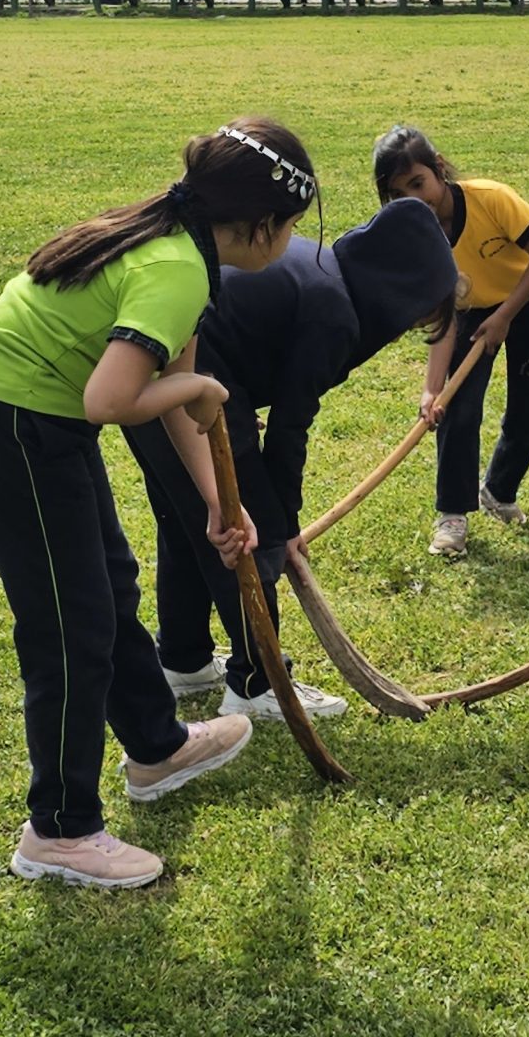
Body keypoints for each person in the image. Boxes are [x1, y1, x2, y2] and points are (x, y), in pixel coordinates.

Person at [0, 117, 320, 888]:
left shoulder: (182, 248)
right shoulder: (177, 267)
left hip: (38, 417)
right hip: (10, 420)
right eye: (289, 229)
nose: (287, 243)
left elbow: (173, 403)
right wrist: (202, 385)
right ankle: (59, 830)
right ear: (260, 225)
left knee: (108, 588)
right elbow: (115, 397)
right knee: (69, 628)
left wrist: (222, 504)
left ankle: (155, 746)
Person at [126, 196, 457, 722]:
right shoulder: (335, 312)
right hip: (188, 382)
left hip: (139, 375)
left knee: (187, 520)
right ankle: (258, 683)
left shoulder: (322, 265)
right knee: (241, 533)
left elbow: (255, 348)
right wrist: (283, 525)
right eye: (417, 314)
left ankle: (184, 660)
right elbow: (289, 428)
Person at [372, 125, 529, 555]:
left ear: (439, 169)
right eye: (400, 194)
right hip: (467, 312)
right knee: (456, 410)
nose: (414, 199)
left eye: (418, 183)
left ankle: (498, 489)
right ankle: (452, 514)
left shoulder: (491, 198)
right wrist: (430, 389)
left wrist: (505, 316)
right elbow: (443, 314)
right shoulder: (418, 237)